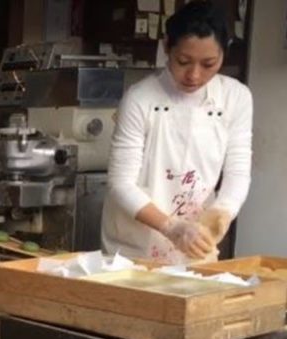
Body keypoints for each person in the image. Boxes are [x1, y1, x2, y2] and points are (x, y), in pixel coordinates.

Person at [102, 0, 252, 263]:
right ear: (166, 47)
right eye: (183, 61)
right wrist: (172, 228)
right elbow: (121, 183)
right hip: (134, 249)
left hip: (197, 246)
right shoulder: (140, 99)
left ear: (223, 54)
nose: (194, 75)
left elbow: (237, 171)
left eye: (208, 64)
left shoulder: (235, 98)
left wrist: (221, 213)